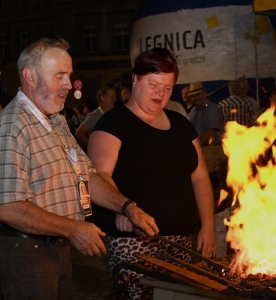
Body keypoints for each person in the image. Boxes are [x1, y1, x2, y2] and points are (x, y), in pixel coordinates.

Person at [0, 38, 158, 300]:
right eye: (59, 75)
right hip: (26, 253)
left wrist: (128, 207)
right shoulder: (11, 127)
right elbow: (7, 206)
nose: (68, 85)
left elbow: (87, 176)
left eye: (69, 75)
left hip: (57, 247)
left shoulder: (57, 121)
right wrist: (72, 229)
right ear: (30, 76)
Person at [87, 47, 216, 300]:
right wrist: (121, 208)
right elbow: (98, 176)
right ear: (135, 79)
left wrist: (208, 225)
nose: (161, 93)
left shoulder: (181, 124)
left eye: (168, 87)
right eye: (154, 84)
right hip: (134, 243)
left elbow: (200, 176)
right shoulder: (112, 124)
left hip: (180, 239)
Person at [188, 81, 225, 174]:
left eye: (199, 94)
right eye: (193, 95)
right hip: (200, 150)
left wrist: (194, 148)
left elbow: (210, 134)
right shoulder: (193, 111)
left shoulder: (213, 109)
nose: (196, 97)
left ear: (205, 94)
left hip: (212, 150)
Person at [75, 85, 116, 152]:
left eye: (115, 97)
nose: (115, 99)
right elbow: (79, 133)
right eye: (111, 97)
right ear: (103, 98)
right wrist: (92, 147)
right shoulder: (95, 115)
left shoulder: (111, 114)